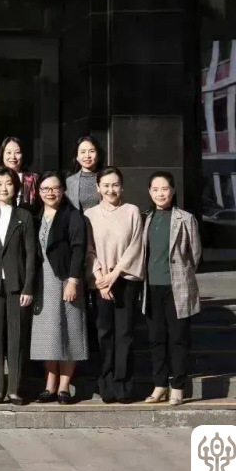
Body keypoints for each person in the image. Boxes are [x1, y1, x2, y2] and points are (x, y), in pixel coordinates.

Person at [85, 166, 145, 404]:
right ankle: (106, 384)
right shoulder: (90, 214)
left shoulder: (132, 211)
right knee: (104, 334)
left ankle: (123, 386)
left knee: (125, 334)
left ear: (122, 187)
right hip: (100, 283)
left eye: (115, 185)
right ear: (98, 187)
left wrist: (116, 274)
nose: (111, 190)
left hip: (125, 280)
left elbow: (136, 245)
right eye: (106, 185)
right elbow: (88, 249)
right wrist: (101, 277)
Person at [142, 171, 201, 406]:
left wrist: (181, 275)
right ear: (149, 192)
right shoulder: (146, 218)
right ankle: (159, 386)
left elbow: (194, 255)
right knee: (156, 339)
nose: (160, 194)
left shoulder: (185, 219)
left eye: (164, 189)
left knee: (177, 339)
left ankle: (177, 386)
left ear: (173, 191)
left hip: (177, 288)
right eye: (155, 189)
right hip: (151, 288)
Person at [30, 172, 89, 404]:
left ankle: (64, 387)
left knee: (68, 331)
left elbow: (79, 249)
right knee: (47, 335)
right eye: (45, 189)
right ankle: (49, 385)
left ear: (63, 190)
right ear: (39, 192)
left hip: (65, 279)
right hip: (42, 281)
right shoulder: (36, 216)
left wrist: (73, 281)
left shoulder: (72, 216)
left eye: (54, 188)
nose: (50, 193)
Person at [0, 165, 36, 405]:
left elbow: (31, 254)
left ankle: (14, 389)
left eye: (8, 183)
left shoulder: (24, 216)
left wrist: (28, 287)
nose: (4, 188)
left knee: (17, 337)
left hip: (17, 284)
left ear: (16, 187)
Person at [0, 136, 38, 213]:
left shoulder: (34, 179)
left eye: (17, 152)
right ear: (2, 154)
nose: (13, 157)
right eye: (9, 152)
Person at [65, 135, 103, 212]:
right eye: (83, 152)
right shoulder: (70, 181)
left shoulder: (106, 178)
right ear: (77, 157)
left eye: (91, 151)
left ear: (98, 155)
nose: (87, 156)